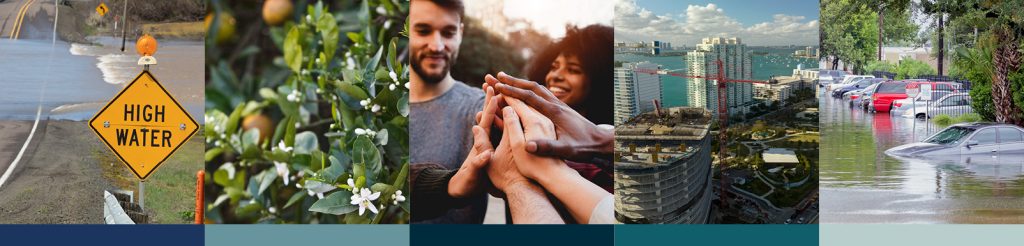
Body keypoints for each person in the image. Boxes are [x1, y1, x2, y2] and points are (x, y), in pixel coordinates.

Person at [407, 0, 488, 224]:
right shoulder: (375, 108)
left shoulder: (480, 110)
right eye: (423, 31)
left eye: (448, 32)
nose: (437, 46)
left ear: (461, 33)